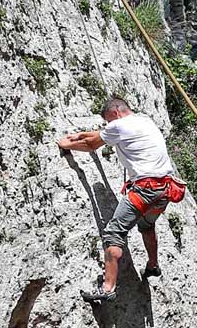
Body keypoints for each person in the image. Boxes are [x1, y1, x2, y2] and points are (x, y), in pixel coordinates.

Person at [57, 98, 184, 303]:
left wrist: (66, 143)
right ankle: (153, 265)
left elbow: (92, 145)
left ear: (115, 113)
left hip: (144, 190)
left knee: (114, 233)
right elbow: (100, 135)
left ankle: (108, 288)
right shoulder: (144, 120)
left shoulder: (119, 125)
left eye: (108, 121)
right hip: (164, 190)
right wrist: (80, 134)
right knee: (146, 225)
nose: (108, 125)